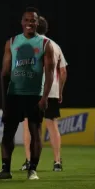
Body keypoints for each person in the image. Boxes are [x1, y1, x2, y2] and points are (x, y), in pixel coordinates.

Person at [0, 7, 55, 180]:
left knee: (35, 132)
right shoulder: (11, 42)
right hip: (14, 94)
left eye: (33, 20)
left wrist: (45, 97)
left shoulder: (45, 44)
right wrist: (4, 99)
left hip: (34, 95)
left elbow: (50, 73)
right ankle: (5, 169)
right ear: (21, 22)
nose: (29, 23)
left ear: (37, 22)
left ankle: (32, 169)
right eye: (26, 20)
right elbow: (4, 73)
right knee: (8, 133)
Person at [20, 16, 67, 172]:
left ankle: (28, 160)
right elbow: (63, 71)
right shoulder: (54, 45)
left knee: (28, 125)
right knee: (52, 125)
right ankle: (57, 162)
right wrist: (59, 91)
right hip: (52, 90)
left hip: (32, 91)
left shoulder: (28, 44)